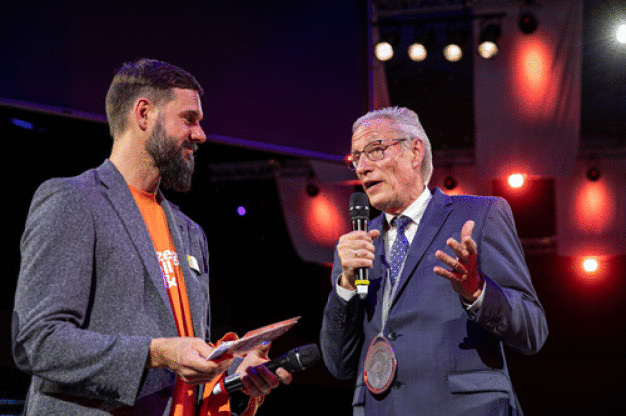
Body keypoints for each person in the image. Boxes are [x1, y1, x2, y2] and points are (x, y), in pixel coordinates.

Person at [12, 58, 291, 416]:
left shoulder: (191, 233)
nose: (201, 135)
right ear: (143, 114)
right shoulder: (75, 201)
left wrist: (232, 374)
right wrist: (158, 353)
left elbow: (185, 364)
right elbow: (38, 341)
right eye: (189, 118)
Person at [320, 107, 548, 415]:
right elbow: (338, 363)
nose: (362, 167)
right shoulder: (356, 246)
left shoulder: (480, 216)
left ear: (415, 151)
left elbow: (532, 331)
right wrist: (345, 285)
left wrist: (477, 292)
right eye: (355, 158)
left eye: (374, 150)